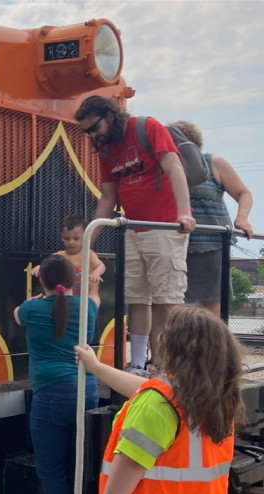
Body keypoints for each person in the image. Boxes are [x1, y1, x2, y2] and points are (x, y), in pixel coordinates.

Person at [74, 306, 244, 494]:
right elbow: (144, 388)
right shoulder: (220, 399)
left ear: (173, 346)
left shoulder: (159, 402)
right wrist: (95, 367)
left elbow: (130, 464)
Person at [76, 96, 195, 373]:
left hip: (165, 226)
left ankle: (169, 364)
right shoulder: (106, 150)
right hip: (132, 227)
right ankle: (138, 363)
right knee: (137, 298)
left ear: (109, 114)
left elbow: (173, 167)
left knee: (167, 299)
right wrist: (87, 241)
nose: (92, 135)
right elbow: (108, 197)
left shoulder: (147, 128)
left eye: (94, 128)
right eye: (87, 132)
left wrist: (183, 213)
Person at [15, 254, 99, 494]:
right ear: (74, 281)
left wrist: (38, 293)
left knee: (51, 469)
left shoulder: (30, 309)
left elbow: (16, 314)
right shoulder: (88, 307)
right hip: (86, 392)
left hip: (50, 395)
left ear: (41, 281)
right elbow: (95, 297)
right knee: (79, 462)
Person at [169, 120, 255, 317]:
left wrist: (242, 218)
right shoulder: (165, 167)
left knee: (211, 307)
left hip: (212, 245)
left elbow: (244, 193)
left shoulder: (213, 163)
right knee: (175, 307)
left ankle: (211, 346)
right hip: (175, 246)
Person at [33, 215, 107, 307]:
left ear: (86, 237)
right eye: (67, 238)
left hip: (84, 299)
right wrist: (39, 267)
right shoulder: (60, 255)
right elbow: (49, 265)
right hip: (65, 299)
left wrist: (96, 272)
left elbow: (101, 266)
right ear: (62, 238)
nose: (71, 242)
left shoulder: (88, 254)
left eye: (76, 238)